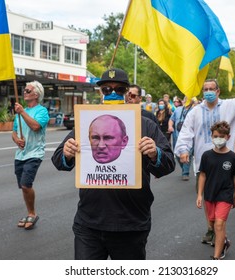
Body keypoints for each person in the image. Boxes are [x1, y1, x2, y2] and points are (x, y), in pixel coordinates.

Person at [51, 68, 175, 260]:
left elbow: (168, 163)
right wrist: (67, 154)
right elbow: (58, 160)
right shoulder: (87, 122)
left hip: (130, 225)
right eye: (107, 89)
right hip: (89, 223)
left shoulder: (145, 125)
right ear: (101, 92)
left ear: (127, 93)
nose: (112, 93)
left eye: (119, 90)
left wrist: (155, 153)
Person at [175, 68, 235, 244]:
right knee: (208, 198)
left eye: (211, 89)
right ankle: (211, 228)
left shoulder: (231, 105)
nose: (208, 92)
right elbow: (186, 132)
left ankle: (220, 233)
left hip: (226, 162)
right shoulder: (195, 111)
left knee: (223, 198)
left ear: (218, 91)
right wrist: (183, 149)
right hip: (203, 162)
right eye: (205, 89)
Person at [196, 121, 235, 260]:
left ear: (228, 137)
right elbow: (202, 175)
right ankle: (224, 241)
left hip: (225, 194)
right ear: (211, 136)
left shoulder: (233, 157)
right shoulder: (207, 155)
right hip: (210, 194)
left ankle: (217, 256)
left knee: (220, 223)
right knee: (213, 223)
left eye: (221, 136)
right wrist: (199, 194)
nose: (218, 139)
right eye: (215, 136)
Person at [12, 80, 49, 230]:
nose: (24, 92)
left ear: (36, 94)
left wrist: (22, 112)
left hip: (34, 153)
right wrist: (17, 140)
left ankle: (32, 214)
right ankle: (29, 212)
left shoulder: (42, 111)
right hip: (20, 154)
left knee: (26, 184)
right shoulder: (20, 112)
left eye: (27, 91)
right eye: (24, 90)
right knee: (23, 186)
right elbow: (14, 132)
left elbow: (35, 126)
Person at [168, 96, 195, 181]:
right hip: (177, 135)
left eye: (188, 99)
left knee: (188, 153)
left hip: (189, 137)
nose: (186, 100)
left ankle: (185, 172)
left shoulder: (194, 110)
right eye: (185, 99)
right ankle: (184, 168)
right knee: (177, 153)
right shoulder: (178, 109)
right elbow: (171, 119)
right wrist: (170, 126)